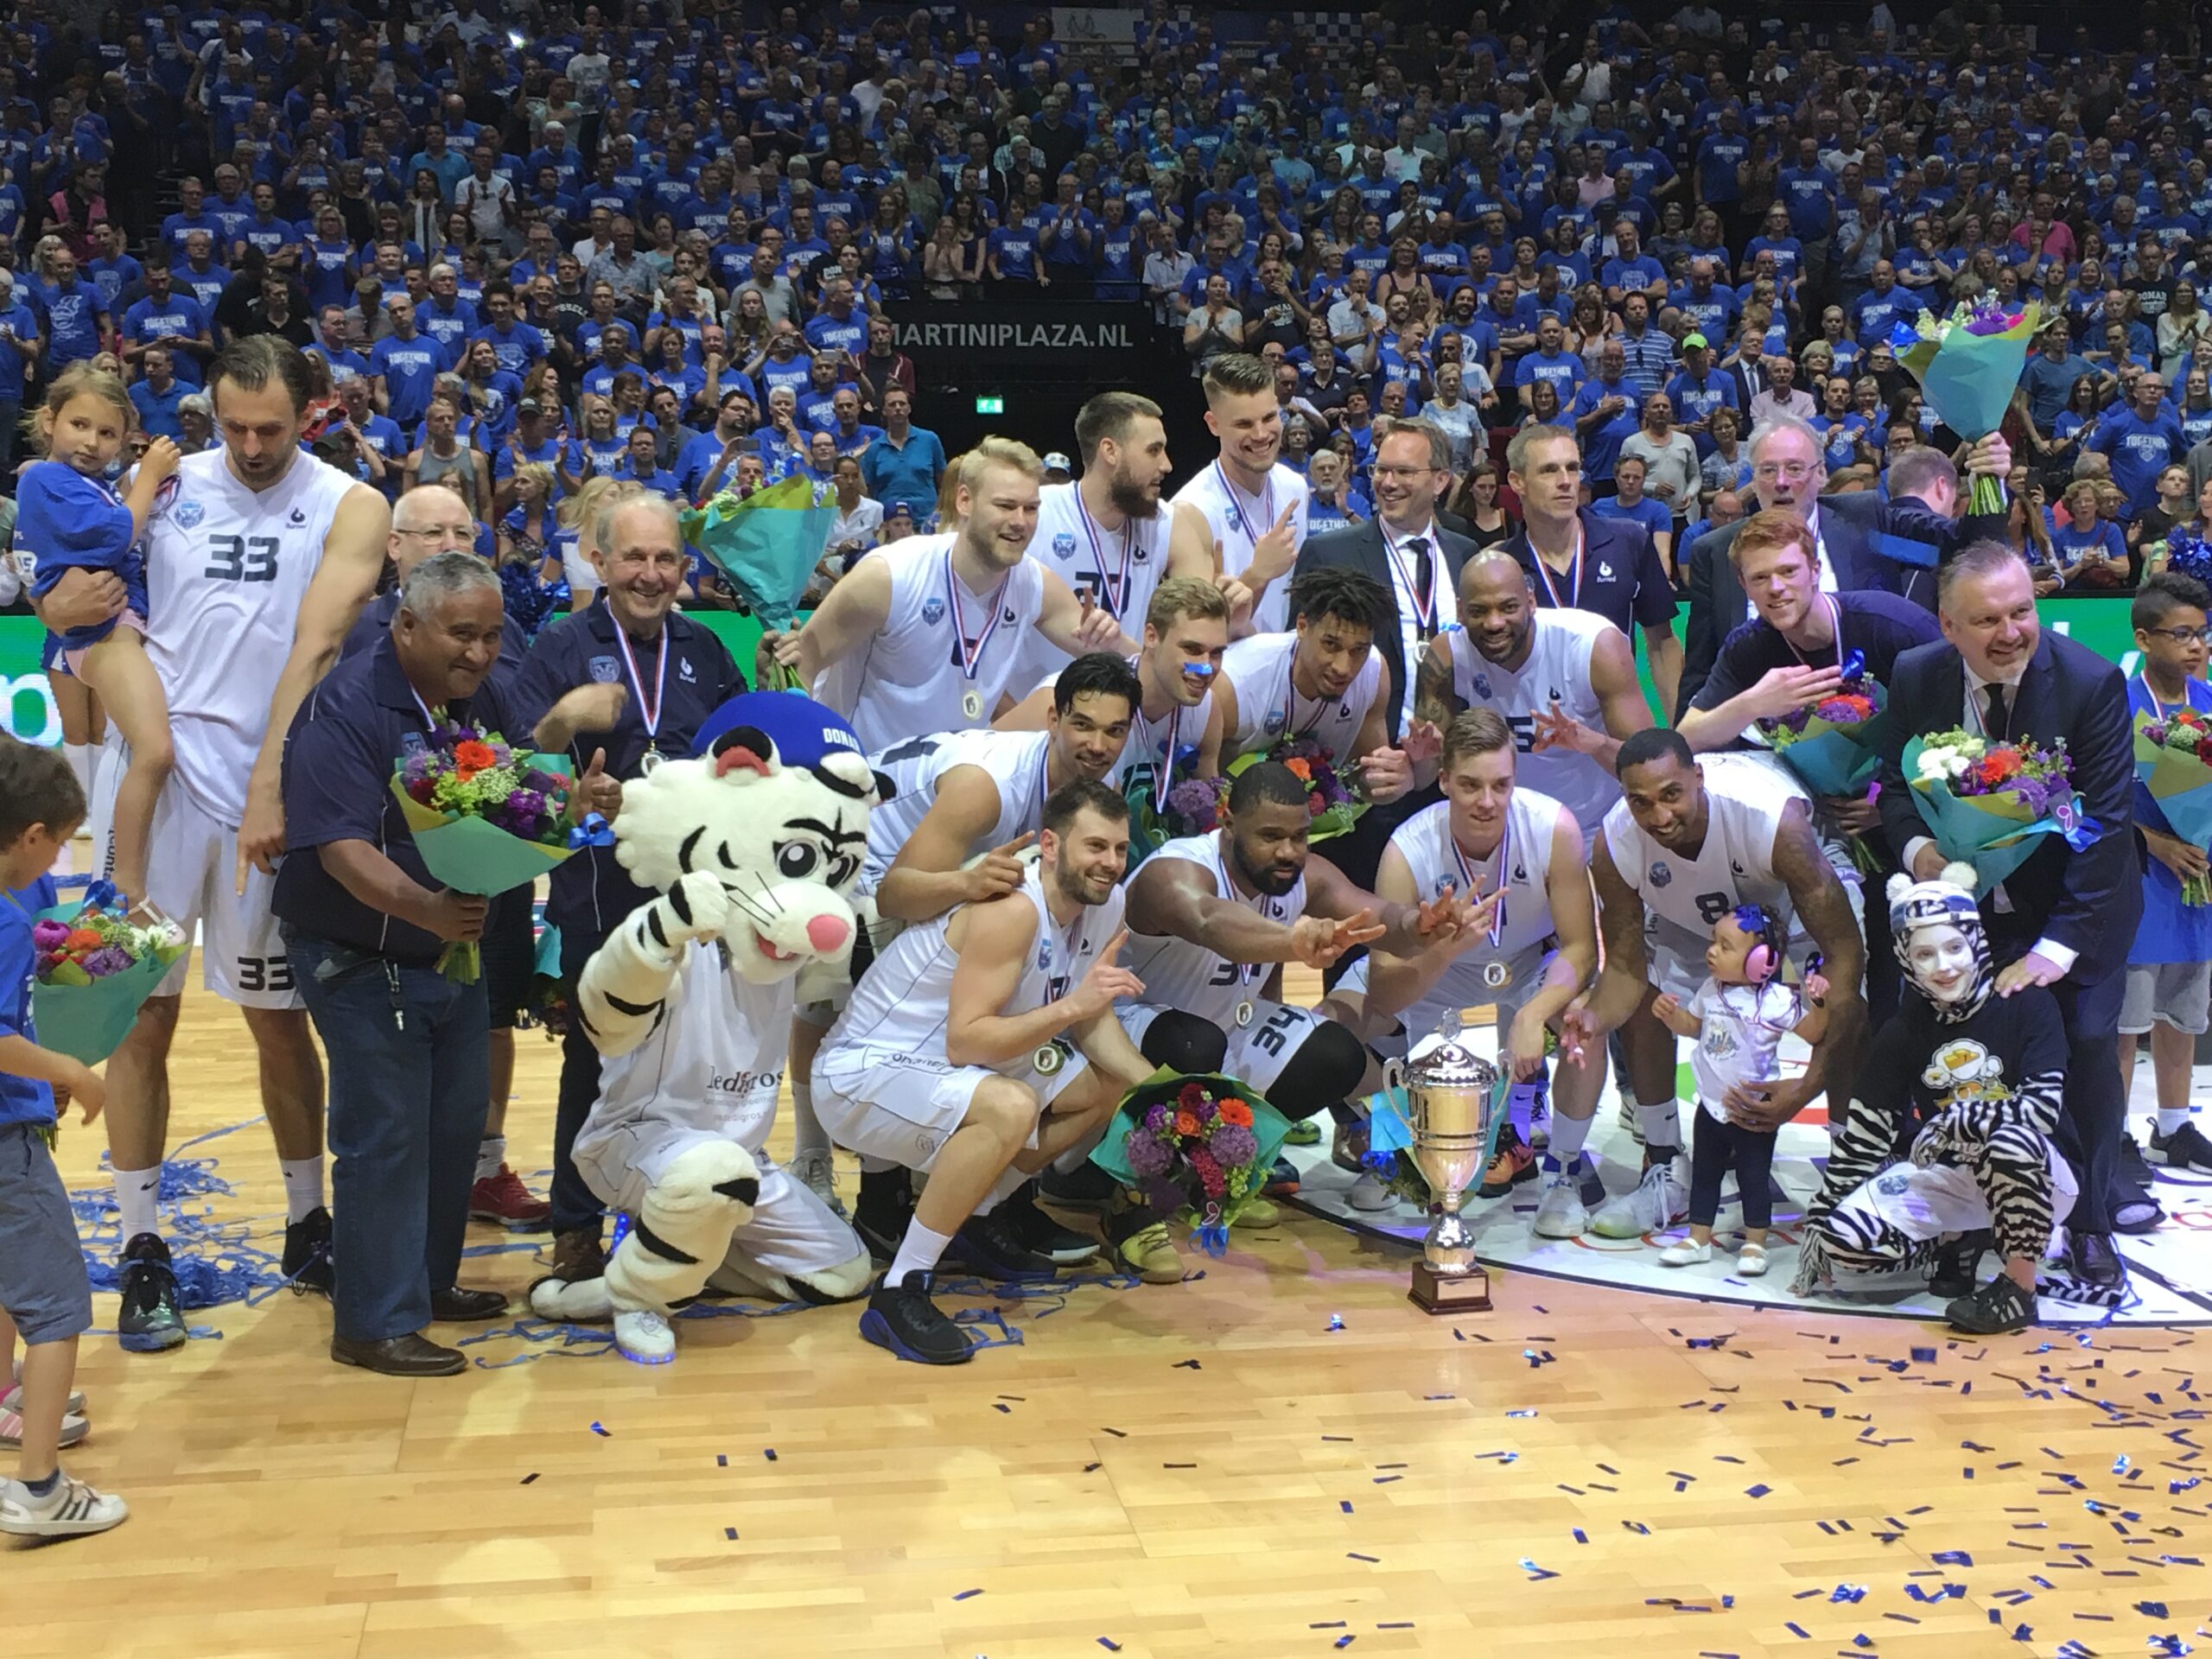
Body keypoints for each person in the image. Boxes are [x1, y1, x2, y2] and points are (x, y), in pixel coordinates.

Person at [31, 336, 391, 1353]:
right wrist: (50, 606)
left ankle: (305, 1221)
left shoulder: (348, 503)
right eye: (232, 426)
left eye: (270, 428)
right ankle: (144, 1247)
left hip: (273, 790)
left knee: (280, 1024)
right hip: (158, 784)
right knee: (141, 1021)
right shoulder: (164, 480)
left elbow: (319, 645)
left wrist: (275, 779)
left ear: (310, 412)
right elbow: (72, 592)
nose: (249, 445)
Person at [274, 552, 521, 1376]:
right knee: (384, 1136)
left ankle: (422, 1282)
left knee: (454, 1122)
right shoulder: (342, 708)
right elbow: (340, 850)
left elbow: (518, 785)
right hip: (355, 949)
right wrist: (426, 909)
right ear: (406, 625)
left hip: (445, 943)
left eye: (490, 636)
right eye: (461, 635)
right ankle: (371, 1321)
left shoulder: (471, 697)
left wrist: (568, 803)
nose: (479, 654)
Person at [814, 782, 1154, 1364]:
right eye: (1095, 846)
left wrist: (1169, 1097)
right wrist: (1074, 1007)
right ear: (1050, 845)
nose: (1110, 863)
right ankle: (901, 1289)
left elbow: (1091, 1018)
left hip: (956, 1062)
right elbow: (967, 1036)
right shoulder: (1012, 909)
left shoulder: (1107, 903)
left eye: (1120, 849)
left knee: (1105, 1089)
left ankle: (974, 1217)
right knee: (1011, 1107)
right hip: (864, 1069)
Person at [1877, 542, 2141, 1287]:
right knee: (1959, 1060)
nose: (2010, 632)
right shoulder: (1916, 674)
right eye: (1986, 619)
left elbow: (2105, 824)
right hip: (1968, 916)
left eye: (2021, 611)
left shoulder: (2088, 684)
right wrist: (1923, 852)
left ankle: (2089, 1222)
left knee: (2086, 1043)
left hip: (2075, 910)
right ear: (1948, 625)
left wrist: (2054, 950)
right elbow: (1895, 790)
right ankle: (1967, 1216)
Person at [505, 492, 747, 1296]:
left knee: (695, 1058)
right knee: (596, 1059)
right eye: (633, 558)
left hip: (700, 899)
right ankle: (575, 1227)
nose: (649, 574)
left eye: (664, 558)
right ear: (600, 562)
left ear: (684, 566)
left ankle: (680, 1218)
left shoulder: (707, 650)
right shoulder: (559, 648)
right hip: (597, 894)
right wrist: (561, 729)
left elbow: (749, 760)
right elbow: (511, 773)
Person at [1560, 729, 1868, 1239]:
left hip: (1791, 909)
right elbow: (1623, 971)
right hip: (1696, 921)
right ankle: (1665, 1164)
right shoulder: (1614, 844)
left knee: (1843, 996)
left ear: (1697, 778)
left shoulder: (1774, 821)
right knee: (1647, 997)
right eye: (1641, 802)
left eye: (1671, 795)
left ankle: (1848, 1167)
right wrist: (1592, 1017)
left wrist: (1806, 1086)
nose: (1659, 817)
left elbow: (1843, 955)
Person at [1121, 760, 1468, 1145]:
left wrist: (1418, 926)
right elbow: (1210, 922)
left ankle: (1241, 1154)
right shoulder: (1174, 871)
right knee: (1197, 1044)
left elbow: (1378, 916)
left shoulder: (1305, 876)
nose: (1288, 852)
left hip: (1225, 1026)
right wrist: (1294, 942)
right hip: (1128, 1026)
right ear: (1228, 822)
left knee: (1336, 1054)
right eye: (1270, 836)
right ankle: (1108, 1168)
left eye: (1299, 836)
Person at [1795, 865, 2073, 1335]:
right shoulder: (1904, 1030)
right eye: (1924, 954)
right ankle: (1954, 1239)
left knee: (2008, 1142)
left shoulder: (2027, 1003)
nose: (1943, 966)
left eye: (1953, 947)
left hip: (2039, 1177)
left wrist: (1957, 1120)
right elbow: (1863, 1136)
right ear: (1905, 958)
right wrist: (1822, 1218)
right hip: (1949, 1179)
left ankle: (2019, 1287)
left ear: (1975, 944)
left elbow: (2041, 1112)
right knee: (1842, 1244)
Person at [1351, 709, 1605, 1213]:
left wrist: (1535, 1015)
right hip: (1437, 973)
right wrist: (1445, 950)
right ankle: (1393, 1148)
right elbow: (1383, 987)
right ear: (1443, 780)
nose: (1487, 802)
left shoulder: (1554, 827)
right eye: (1470, 785)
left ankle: (1561, 1170)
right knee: (1330, 1032)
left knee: (1584, 1023)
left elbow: (1582, 948)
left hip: (1525, 968)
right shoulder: (1407, 849)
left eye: (1500, 785)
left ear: (1515, 779)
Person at [764, 438, 1133, 753]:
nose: (1020, 521)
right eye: (1005, 506)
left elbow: (1111, 651)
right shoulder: (890, 576)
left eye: (1031, 509)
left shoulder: (1033, 583)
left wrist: (1112, 640)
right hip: (867, 783)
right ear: (964, 501)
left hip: (950, 782)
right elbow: (804, 666)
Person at [0, 741, 126, 1537]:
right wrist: (72, 1071)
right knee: (57, 1310)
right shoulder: (8, 920)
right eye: (62, 842)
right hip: (6, 1139)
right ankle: (40, 1489)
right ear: (34, 835)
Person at [1680, 419, 2008, 712]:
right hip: (1761, 747)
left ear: (1821, 474)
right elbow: (1699, 669)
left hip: (1878, 735)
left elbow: (1965, 547)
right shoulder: (1716, 551)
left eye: (1795, 469)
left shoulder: (1865, 522)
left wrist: (1991, 481)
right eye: (1768, 470)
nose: (1781, 482)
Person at [14, 366, 180, 909]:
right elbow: (111, 537)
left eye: (106, 433)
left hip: (114, 629)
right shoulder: (42, 477)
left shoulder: (97, 485)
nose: (91, 441)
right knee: (154, 751)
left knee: (133, 750)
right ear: (49, 420)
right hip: (105, 635)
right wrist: (150, 474)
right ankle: (125, 880)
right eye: (79, 425)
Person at [1414, 550, 1655, 855]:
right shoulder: (1447, 655)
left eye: (1508, 607)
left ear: (1531, 602)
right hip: (1504, 832)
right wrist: (1415, 763)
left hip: (1596, 829)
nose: (1494, 623)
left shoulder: (1594, 645)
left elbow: (1650, 766)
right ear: (1460, 612)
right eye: (1479, 611)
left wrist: (1592, 743)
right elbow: (1424, 776)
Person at [1647, 904, 1828, 1276]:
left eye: (1725, 946)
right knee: (1705, 1174)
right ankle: (1698, 1238)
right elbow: (1691, 1026)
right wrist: (1669, 1015)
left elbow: (1813, 1033)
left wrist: (1820, 1002)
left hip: (1754, 1108)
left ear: (1762, 959)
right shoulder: (1711, 989)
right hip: (1710, 1105)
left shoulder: (1777, 1000)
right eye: (1714, 942)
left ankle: (1755, 1242)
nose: (1712, 951)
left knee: (1753, 1177)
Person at [1011, 391, 1228, 687]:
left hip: (1127, 712)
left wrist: (1249, 585)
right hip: (1034, 713)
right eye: (1154, 451)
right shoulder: (1037, 513)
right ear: (1110, 451)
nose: (1167, 465)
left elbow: (1200, 631)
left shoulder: (1168, 523)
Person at [998, 578, 1229, 823]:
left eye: (1216, 653)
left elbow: (1211, 815)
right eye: (1192, 649)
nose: (1205, 667)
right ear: (1151, 637)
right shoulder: (1067, 699)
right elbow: (982, 764)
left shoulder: (1207, 710)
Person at [2119, 573, 2212, 1174]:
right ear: (2144, 638)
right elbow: (2089, 799)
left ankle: (2174, 1127)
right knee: (2125, 1021)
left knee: (2184, 1011)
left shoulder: (2207, 702)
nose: (2197, 646)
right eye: (2183, 635)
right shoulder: (2114, 701)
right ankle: (2114, 1135)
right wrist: (2153, 841)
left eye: (2203, 634)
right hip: (2137, 876)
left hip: (2196, 881)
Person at [1501, 423, 1682, 719]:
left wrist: (1682, 730)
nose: (1565, 481)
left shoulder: (1628, 542)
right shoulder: (1501, 564)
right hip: (1534, 736)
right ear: (1517, 481)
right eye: (1549, 470)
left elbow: (1662, 642)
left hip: (1615, 728)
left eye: (1572, 468)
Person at [1169, 353, 1311, 633]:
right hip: (1226, 672)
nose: (1261, 434)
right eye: (1244, 424)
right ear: (1213, 424)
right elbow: (1199, 633)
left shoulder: (1295, 486)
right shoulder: (1190, 511)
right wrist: (1257, 575)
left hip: (1284, 664)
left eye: (1269, 417)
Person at [1216, 567, 1394, 778]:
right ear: (1302, 626)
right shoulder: (1238, 681)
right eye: (1330, 644)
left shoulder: (1374, 672)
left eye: (1359, 650)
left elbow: (1365, 780)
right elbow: (1192, 780)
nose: (1343, 668)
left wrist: (1398, 777)